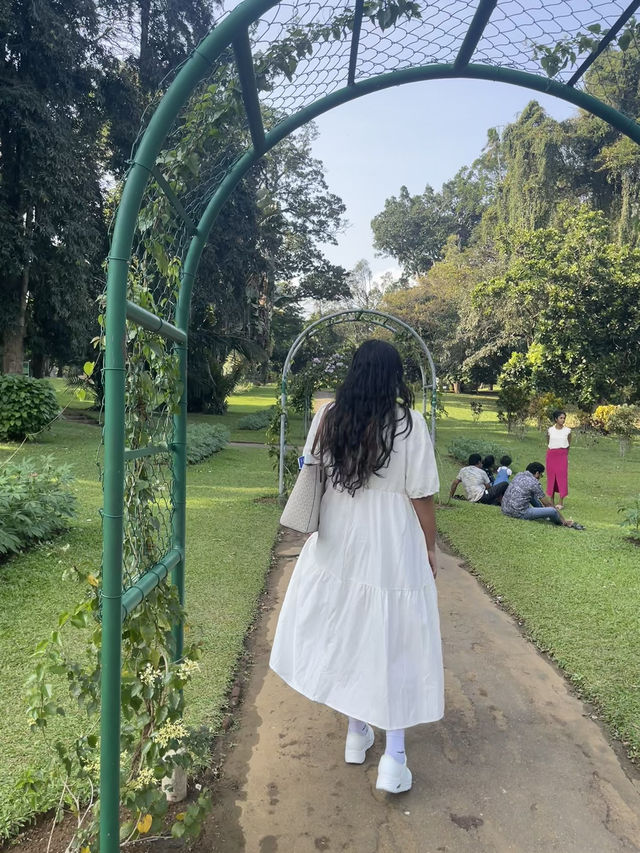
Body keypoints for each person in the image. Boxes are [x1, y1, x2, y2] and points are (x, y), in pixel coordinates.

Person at [270, 340, 443, 795]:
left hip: (338, 538)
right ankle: (395, 756)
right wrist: (429, 545)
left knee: (351, 629)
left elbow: (314, 471)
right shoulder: (410, 424)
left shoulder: (328, 416)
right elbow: (421, 494)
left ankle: (355, 732)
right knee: (394, 638)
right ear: (394, 377)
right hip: (391, 541)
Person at [501, 462, 584, 528]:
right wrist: (563, 520)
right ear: (537, 473)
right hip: (519, 513)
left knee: (531, 495)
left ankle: (544, 514)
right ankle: (563, 523)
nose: (540, 477)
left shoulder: (519, 475)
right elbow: (548, 504)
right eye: (541, 475)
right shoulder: (534, 482)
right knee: (552, 511)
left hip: (505, 509)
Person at [546, 409, 571, 509]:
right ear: (556, 419)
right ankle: (551, 501)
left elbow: (569, 444)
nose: (563, 420)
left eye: (564, 418)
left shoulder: (568, 431)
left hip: (562, 455)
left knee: (562, 477)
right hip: (551, 455)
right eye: (561, 418)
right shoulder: (550, 430)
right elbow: (548, 443)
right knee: (551, 478)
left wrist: (564, 454)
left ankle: (561, 502)